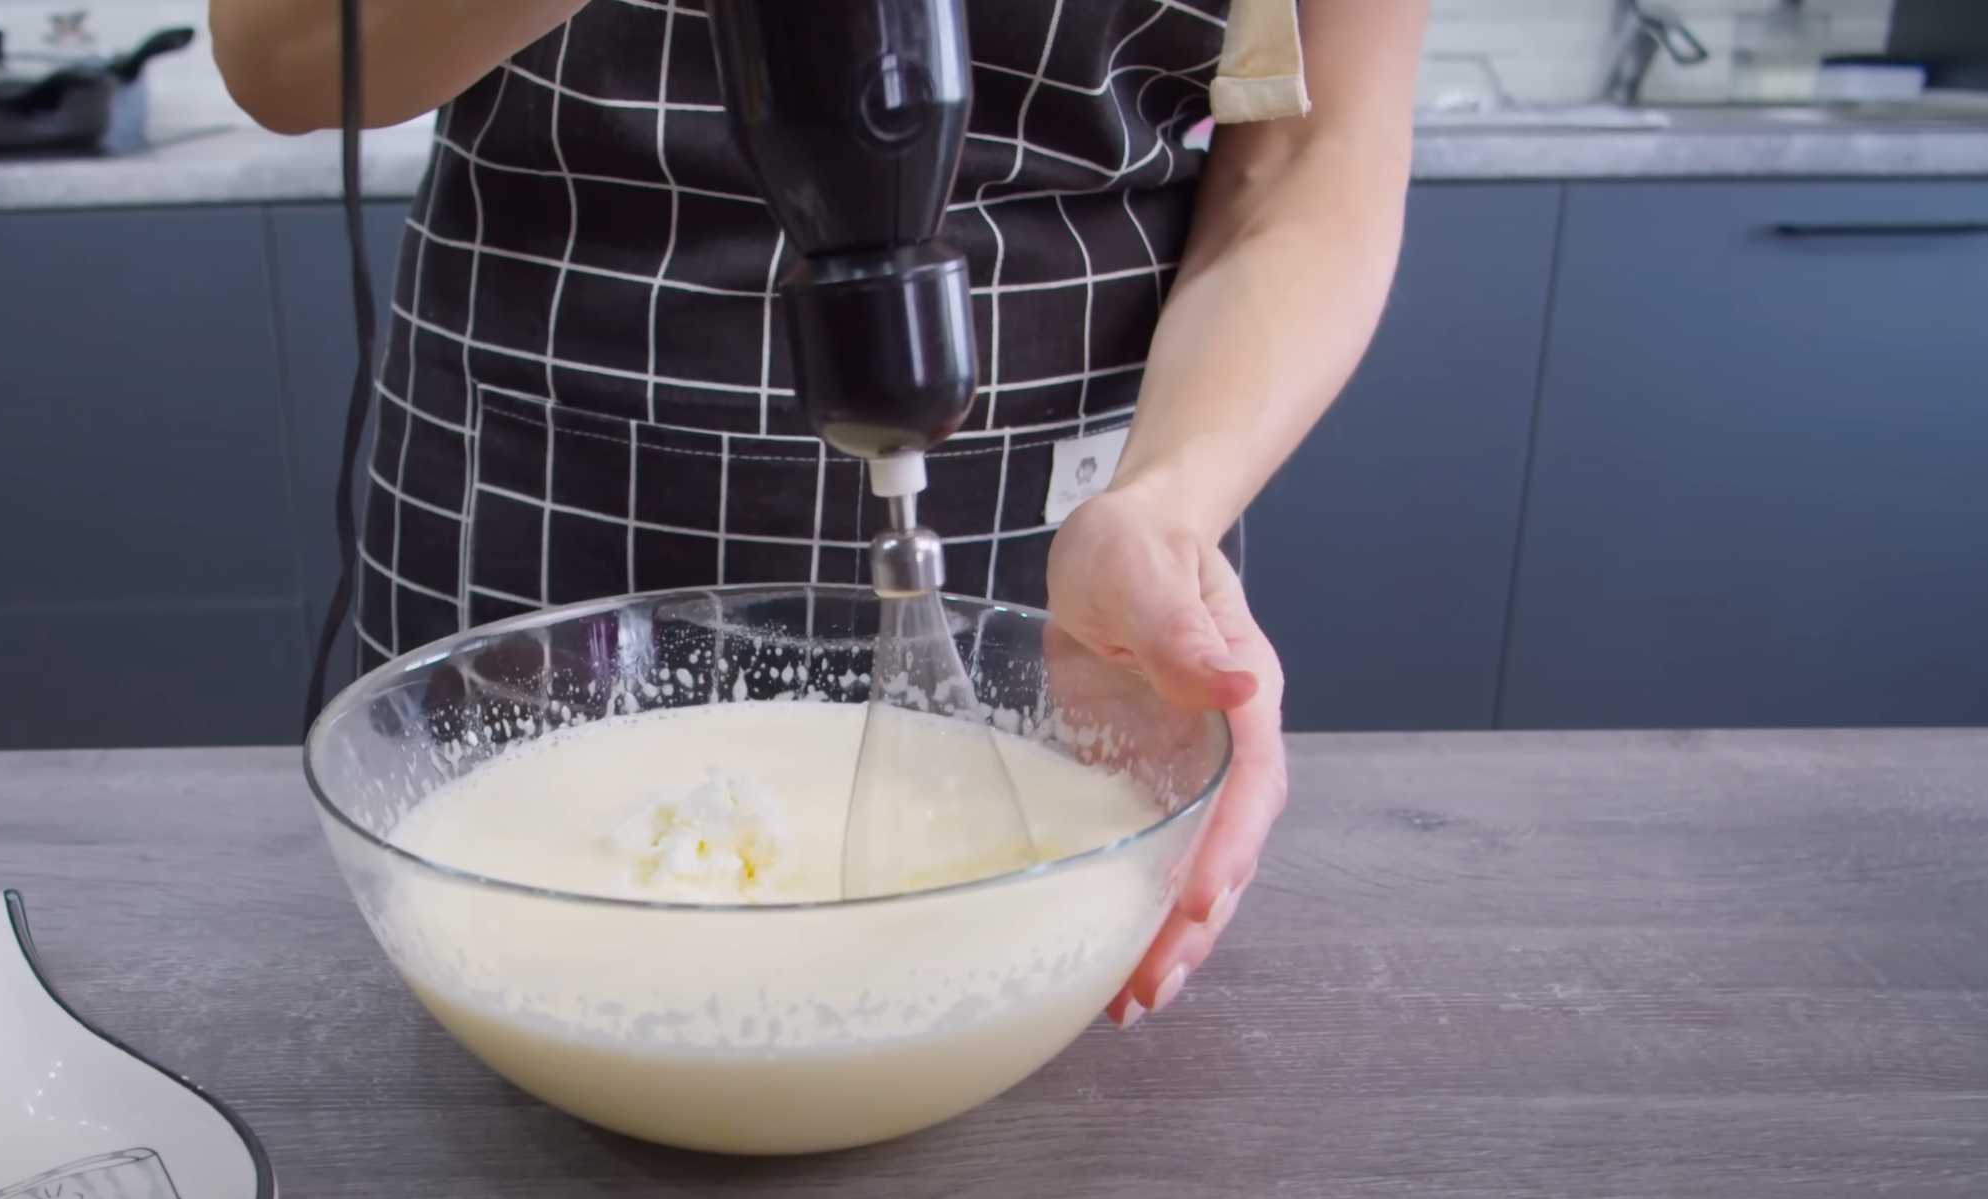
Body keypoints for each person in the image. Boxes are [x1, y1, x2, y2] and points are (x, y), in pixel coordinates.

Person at [212, 0, 1425, 1025]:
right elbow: (285, 50)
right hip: (551, 468)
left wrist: (1169, 506)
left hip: (1070, 514)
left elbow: (1313, 157)